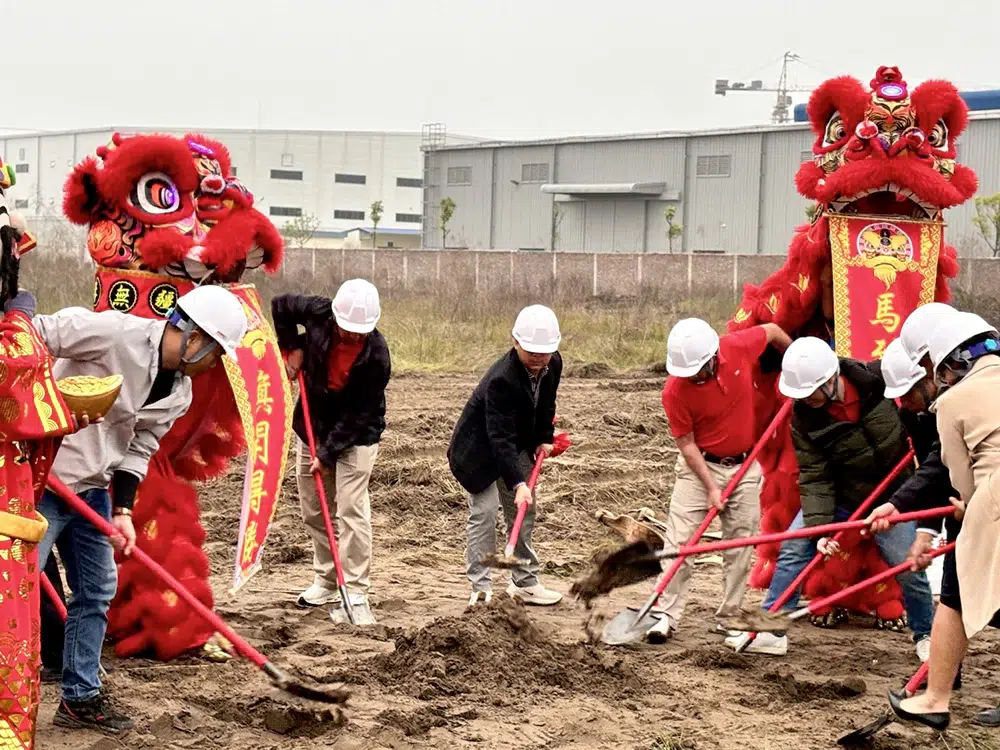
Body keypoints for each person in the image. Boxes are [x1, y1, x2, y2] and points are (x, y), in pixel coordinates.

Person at [33, 285, 248, 734]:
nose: (215, 364)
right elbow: (35, 334)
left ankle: (79, 698)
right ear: (194, 337)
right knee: (12, 588)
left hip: (93, 491)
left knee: (95, 593)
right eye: (216, 352)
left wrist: (124, 511)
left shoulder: (179, 393)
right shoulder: (113, 333)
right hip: (41, 482)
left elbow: (139, 448)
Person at [727, 336, 934, 657]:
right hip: (842, 495)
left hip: (894, 494)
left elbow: (914, 412)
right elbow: (815, 476)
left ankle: (927, 635)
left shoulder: (877, 381)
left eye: (809, 392)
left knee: (908, 564)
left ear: (829, 380)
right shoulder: (804, 418)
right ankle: (771, 631)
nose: (805, 399)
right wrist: (822, 530)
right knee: (796, 545)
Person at [646, 317, 791, 642]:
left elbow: (770, 331)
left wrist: (794, 357)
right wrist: (711, 487)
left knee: (740, 545)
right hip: (698, 469)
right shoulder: (675, 390)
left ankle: (729, 615)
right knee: (679, 545)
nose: (690, 377)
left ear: (713, 357)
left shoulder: (736, 347)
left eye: (696, 370)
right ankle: (665, 615)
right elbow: (686, 444)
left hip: (745, 465)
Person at [889, 311, 1000, 731]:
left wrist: (968, 508)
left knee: (953, 597)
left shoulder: (951, 402)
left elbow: (960, 480)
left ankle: (934, 699)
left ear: (952, 363)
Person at [273, 279, 390, 625]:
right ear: (335, 318)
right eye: (347, 330)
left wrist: (326, 454)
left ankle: (354, 589)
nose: (353, 336)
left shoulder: (377, 357)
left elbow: (360, 415)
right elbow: (280, 305)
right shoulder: (318, 313)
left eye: (361, 332)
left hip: (356, 437)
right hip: (312, 426)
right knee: (314, 509)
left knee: (351, 510)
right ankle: (326, 578)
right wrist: (291, 347)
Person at [449, 304, 563, 607]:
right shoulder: (502, 379)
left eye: (545, 352)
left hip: (518, 443)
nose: (539, 359)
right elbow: (499, 438)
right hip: (479, 452)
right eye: (531, 352)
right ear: (515, 342)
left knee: (524, 511)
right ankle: (481, 588)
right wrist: (517, 482)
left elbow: (547, 404)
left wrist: (545, 439)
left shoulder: (553, 364)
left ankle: (524, 583)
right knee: (484, 513)